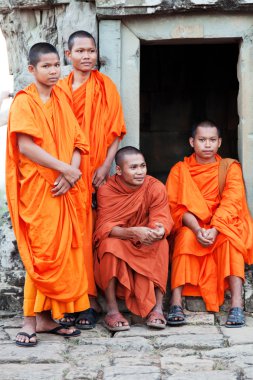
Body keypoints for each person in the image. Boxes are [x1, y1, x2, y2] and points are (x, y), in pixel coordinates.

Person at [6, 42, 90, 346]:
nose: (54, 71)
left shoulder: (61, 101)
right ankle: (28, 321)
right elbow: (26, 146)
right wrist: (64, 170)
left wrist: (71, 173)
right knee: (40, 255)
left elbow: (79, 143)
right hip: (38, 190)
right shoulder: (24, 102)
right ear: (32, 70)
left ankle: (44, 319)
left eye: (57, 65)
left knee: (63, 252)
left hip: (62, 187)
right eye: (47, 66)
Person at [57, 30, 126, 328]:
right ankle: (71, 298)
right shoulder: (59, 89)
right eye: (81, 51)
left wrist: (106, 165)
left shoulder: (105, 85)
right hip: (65, 173)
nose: (87, 56)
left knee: (92, 236)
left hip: (96, 171)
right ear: (68, 54)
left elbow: (116, 130)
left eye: (91, 50)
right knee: (70, 238)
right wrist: (62, 170)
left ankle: (90, 298)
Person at [166, 120, 253, 328]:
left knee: (231, 240)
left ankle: (236, 305)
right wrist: (197, 230)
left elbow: (232, 202)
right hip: (193, 226)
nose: (207, 145)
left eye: (212, 140)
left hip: (221, 225)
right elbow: (176, 208)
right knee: (184, 237)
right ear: (191, 142)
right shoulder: (180, 170)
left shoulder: (229, 168)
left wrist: (214, 229)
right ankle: (176, 302)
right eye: (202, 140)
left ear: (220, 143)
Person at [93, 146, 174, 331]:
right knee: (107, 246)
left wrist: (159, 230)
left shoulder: (155, 187)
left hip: (145, 240)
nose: (140, 172)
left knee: (162, 243)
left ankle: (157, 308)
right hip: (122, 240)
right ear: (119, 170)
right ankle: (112, 311)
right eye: (134, 168)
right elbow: (104, 228)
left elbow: (161, 217)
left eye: (143, 166)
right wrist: (133, 232)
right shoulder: (106, 190)